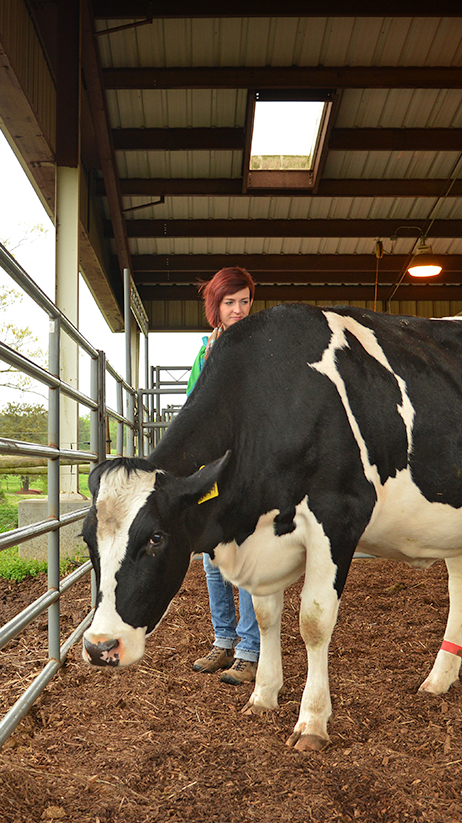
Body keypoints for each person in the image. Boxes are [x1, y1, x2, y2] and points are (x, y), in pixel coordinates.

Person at [186, 266, 260, 686]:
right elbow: (196, 403)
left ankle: (250, 650)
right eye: (230, 302)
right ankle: (224, 640)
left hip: (243, 462)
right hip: (209, 464)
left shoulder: (256, 345)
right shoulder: (204, 350)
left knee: (244, 553)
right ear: (216, 305)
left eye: (244, 301)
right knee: (212, 555)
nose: (238, 310)